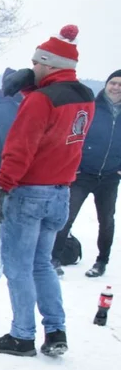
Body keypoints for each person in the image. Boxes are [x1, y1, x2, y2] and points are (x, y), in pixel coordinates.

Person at [0, 25, 94, 358]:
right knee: (41, 263)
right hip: (61, 191)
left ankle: (22, 336)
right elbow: (57, 136)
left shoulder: (40, 101)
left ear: (51, 64)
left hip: (29, 193)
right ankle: (56, 331)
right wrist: (33, 91)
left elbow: (20, 150)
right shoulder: (85, 95)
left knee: (17, 265)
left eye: (37, 62)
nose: (32, 67)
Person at [51, 69, 121, 278]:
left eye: (120, 84)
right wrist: (75, 164)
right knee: (66, 216)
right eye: (113, 83)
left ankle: (101, 262)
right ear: (106, 84)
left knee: (106, 220)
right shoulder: (92, 107)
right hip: (83, 174)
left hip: (110, 177)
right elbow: (74, 135)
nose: (116, 87)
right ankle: (53, 259)